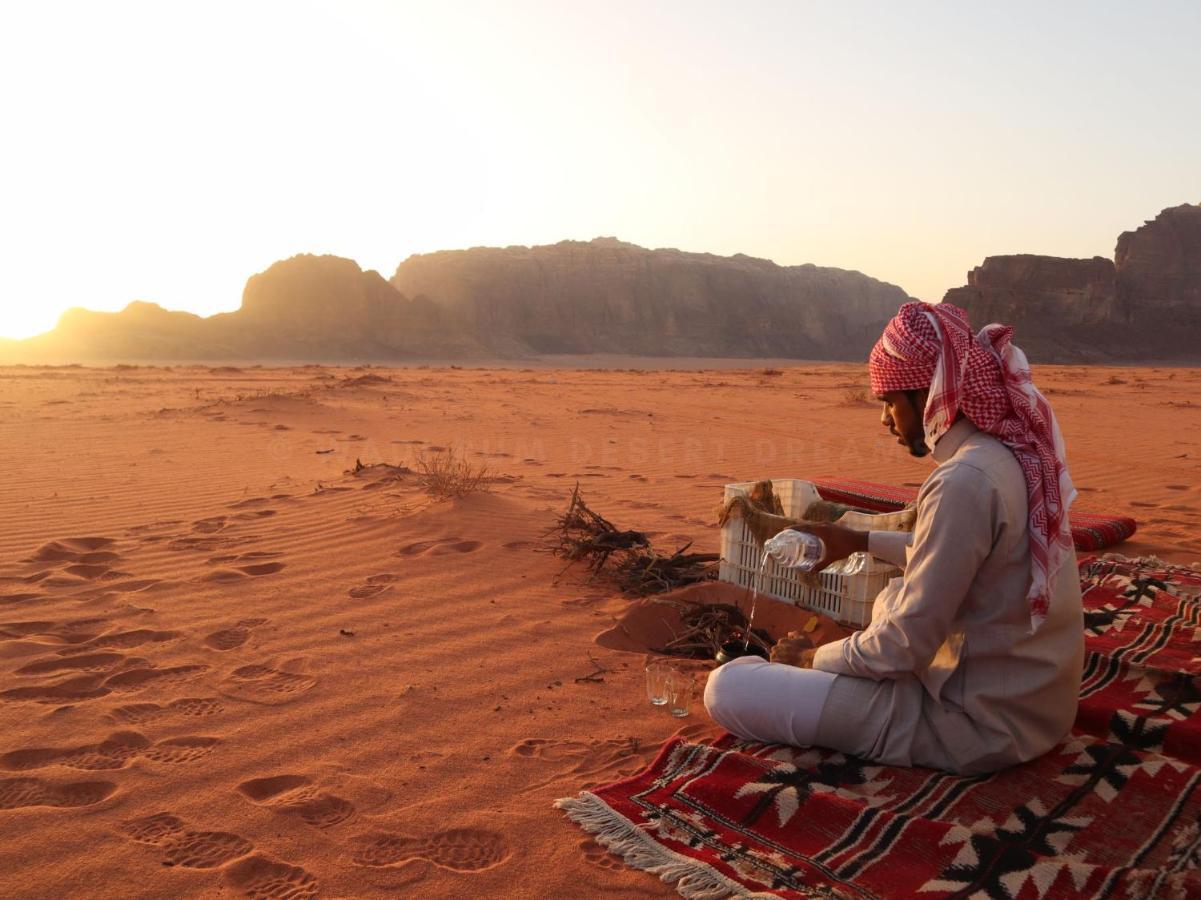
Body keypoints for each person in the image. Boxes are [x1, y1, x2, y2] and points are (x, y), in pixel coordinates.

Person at [703, 301, 1084, 774]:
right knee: (888, 598)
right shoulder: (1005, 455)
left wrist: (811, 657)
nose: (886, 420)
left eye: (889, 402)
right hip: (1037, 710)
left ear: (929, 394)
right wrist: (857, 541)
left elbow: (904, 647)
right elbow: (963, 559)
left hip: (973, 726)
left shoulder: (964, 480)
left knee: (728, 686)